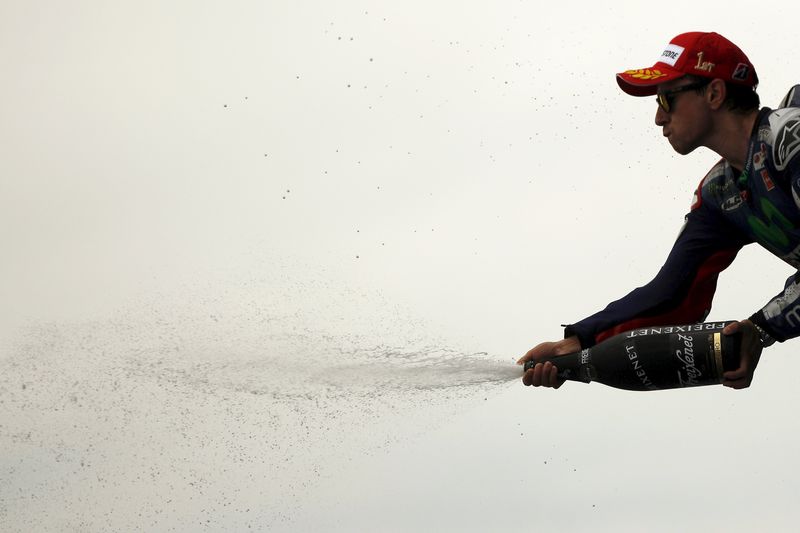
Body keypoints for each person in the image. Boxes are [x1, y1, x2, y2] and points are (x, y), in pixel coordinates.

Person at [519, 31, 800, 390]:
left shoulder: (791, 140)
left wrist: (762, 327)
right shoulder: (719, 193)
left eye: (667, 98)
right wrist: (576, 343)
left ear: (714, 93)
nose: (657, 117)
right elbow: (674, 296)